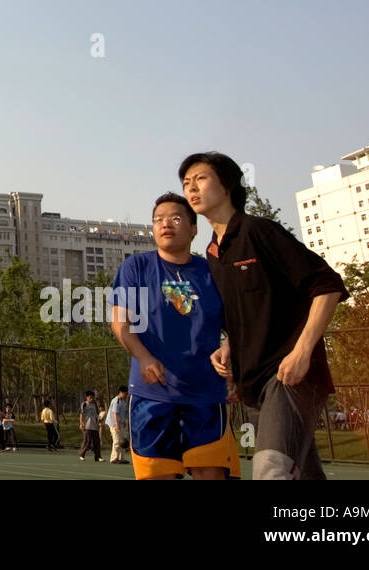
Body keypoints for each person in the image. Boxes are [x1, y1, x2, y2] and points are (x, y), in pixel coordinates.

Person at [181, 152, 348, 480]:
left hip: (291, 376)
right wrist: (228, 346)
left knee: (271, 470)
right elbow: (247, 310)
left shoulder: (258, 231)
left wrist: (302, 352)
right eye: (186, 183)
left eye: (200, 178)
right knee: (301, 474)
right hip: (256, 386)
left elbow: (327, 285)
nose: (191, 188)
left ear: (227, 184)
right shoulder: (213, 253)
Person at [111, 192, 238, 480]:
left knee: (212, 473)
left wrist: (230, 353)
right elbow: (120, 322)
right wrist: (144, 358)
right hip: (151, 395)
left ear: (193, 229)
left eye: (175, 218)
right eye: (158, 220)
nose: (165, 224)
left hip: (206, 394)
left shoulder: (212, 272)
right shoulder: (136, 268)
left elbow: (237, 326)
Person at [105, 386, 130, 464]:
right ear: (121, 392)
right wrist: (117, 425)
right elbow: (114, 413)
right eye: (125, 394)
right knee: (116, 441)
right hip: (114, 423)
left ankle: (121, 458)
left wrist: (125, 423)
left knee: (124, 441)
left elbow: (124, 414)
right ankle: (114, 458)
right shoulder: (116, 401)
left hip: (121, 423)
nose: (126, 396)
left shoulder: (124, 401)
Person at [79, 390, 101, 461]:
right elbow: (81, 414)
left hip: (94, 426)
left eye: (93, 397)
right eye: (90, 398)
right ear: (87, 397)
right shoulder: (84, 404)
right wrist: (81, 423)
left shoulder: (95, 405)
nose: (92, 399)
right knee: (87, 441)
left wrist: (97, 423)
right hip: (87, 425)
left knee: (97, 441)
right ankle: (82, 454)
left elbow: (97, 415)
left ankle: (98, 457)